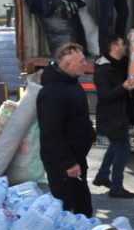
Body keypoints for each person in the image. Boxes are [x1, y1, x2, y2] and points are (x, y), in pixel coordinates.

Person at [37, 43, 95, 216]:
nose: (85, 64)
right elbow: (51, 132)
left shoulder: (71, 83)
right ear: (67, 65)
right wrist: (68, 162)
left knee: (83, 207)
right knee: (66, 209)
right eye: (81, 61)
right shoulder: (52, 92)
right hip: (63, 163)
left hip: (76, 158)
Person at [92, 35, 134, 198]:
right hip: (112, 117)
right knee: (123, 150)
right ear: (114, 47)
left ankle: (102, 176)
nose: (126, 46)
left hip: (122, 114)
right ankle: (116, 187)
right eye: (123, 44)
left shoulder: (123, 63)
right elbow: (105, 95)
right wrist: (123, 87)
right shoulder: (103, 69)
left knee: (115, 146)